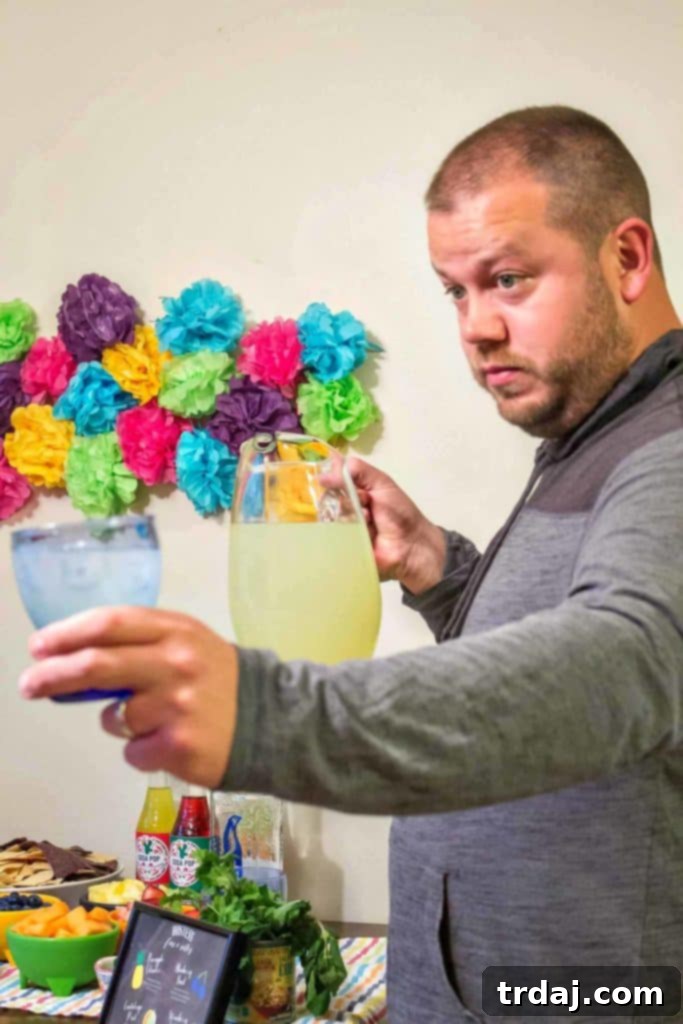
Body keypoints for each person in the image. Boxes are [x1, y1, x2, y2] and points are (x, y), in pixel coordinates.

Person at [19, 106, 683, 1023]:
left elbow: (621, 666)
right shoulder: (589, 434)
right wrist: (438, 571)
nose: (476, 328)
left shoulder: (672, 445)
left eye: (509, 280)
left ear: (628, 257)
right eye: (455, 291)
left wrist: (266, 714)